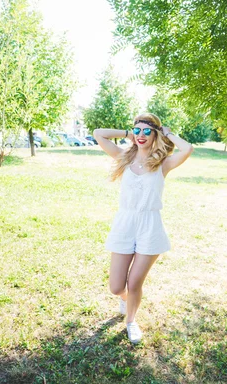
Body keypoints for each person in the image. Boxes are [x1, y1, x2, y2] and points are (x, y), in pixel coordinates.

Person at [93, 113, 194, 344]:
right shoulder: (124, 157)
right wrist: (130, 134)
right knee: (117, 286)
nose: (141, 135)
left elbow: (187, 149)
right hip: (125, 223)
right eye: (137, 130)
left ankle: (131, 321)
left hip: (150, 226)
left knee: (135, 282)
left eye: (146, 131)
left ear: (155, 134)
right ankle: (125, 299)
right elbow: (99, 134)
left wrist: (167, 133)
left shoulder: (163, 163)